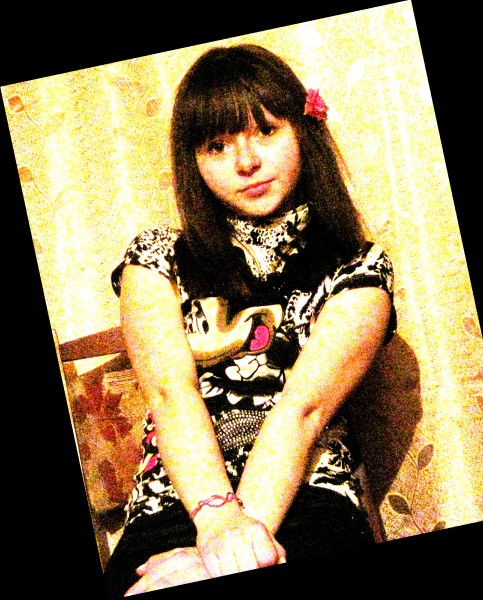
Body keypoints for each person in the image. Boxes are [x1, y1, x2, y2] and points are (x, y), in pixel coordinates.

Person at [103, 43, 397, 597]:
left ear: (302, 131)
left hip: (308, 493)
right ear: (193, 161)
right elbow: (170, 394)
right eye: (217, 145)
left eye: (265, 131)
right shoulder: (155, 258)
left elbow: (303, 413)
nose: (246, 162)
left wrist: (225, 553)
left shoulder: (358, 268)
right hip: (174, 500)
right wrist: (217, 525)